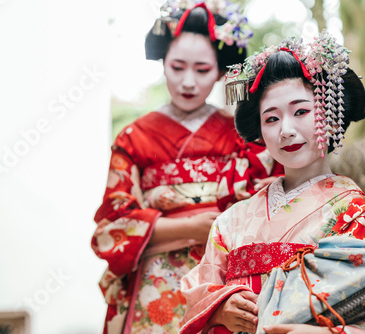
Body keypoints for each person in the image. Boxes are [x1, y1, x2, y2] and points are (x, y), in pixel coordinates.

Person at [180, 31, 365, 334]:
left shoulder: (354, 213)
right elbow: (196, 293)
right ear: (259, 131)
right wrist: (219, 308)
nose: (286, 130)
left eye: (301, 111)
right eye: (271, 118)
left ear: (330, 119)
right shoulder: (231, 222)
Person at [91, 2, 284, 333]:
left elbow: (272, 208)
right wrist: (195, 227)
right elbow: (113, 226)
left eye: (202, 69)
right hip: (156, 281)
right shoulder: (133, 138)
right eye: (177, 67)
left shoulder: (245, 135)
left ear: (222, 71)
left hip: (225, 278)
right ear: (162, 63)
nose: (188, 82)